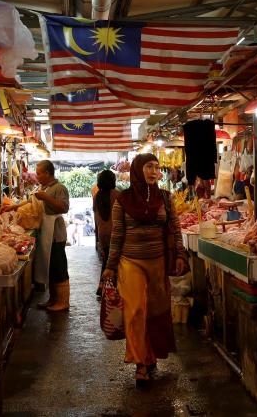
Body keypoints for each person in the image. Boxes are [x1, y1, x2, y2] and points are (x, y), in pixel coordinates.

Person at [102, 154, 188, 383]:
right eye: (149, 167)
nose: (154, 171)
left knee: (155, 312)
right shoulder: (122, 200)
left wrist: (180, 254)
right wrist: (110, 267)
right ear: (138, 170)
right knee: (135, 311)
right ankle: (140, 363)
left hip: (158, 262)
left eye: (156, 167)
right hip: (130, 263)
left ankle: (150, 356)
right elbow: (117, 236)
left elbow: (175, 229)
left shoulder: (165, 198)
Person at [3, 160, 70, 311]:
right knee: (50, 268)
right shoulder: (43, 188)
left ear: (47, 173)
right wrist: (14, 206)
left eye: (39, 173)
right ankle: (53, 299)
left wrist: (46, 198)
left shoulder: (60, 188)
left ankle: (63, 302)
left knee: (59, 267)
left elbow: (64, 207)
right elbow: (30, 201)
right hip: (45, 231)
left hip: (56, 234)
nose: (37, 176)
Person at [93, 169, 120, 297]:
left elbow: (96, 217)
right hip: (115, 233)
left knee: (107, 260)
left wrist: (98, 237)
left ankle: (102, 286)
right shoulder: (117, 195)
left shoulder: (96, 196)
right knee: (113, 262)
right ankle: (111, 288)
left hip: (102, 233)